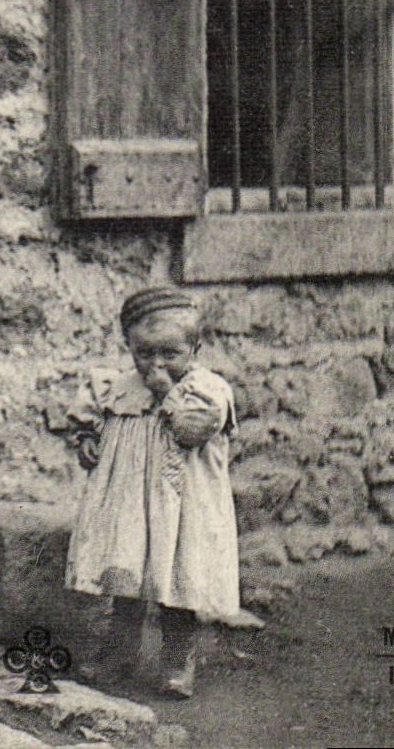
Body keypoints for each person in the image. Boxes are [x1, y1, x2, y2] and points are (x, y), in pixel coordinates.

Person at [62, 286, 240, 699]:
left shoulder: (205, 390)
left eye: (170, 355)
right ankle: (119, 655)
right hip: (130, 504)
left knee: (178, 585)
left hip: (182, 509)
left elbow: (191, 430)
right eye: (144, 354)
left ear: (194, 348)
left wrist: (166, 391)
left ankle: (177, 662)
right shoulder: (118, 386)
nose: (155, 364)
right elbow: (93, 421)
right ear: (129, 346)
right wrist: (88, 438)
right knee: (125, 581)